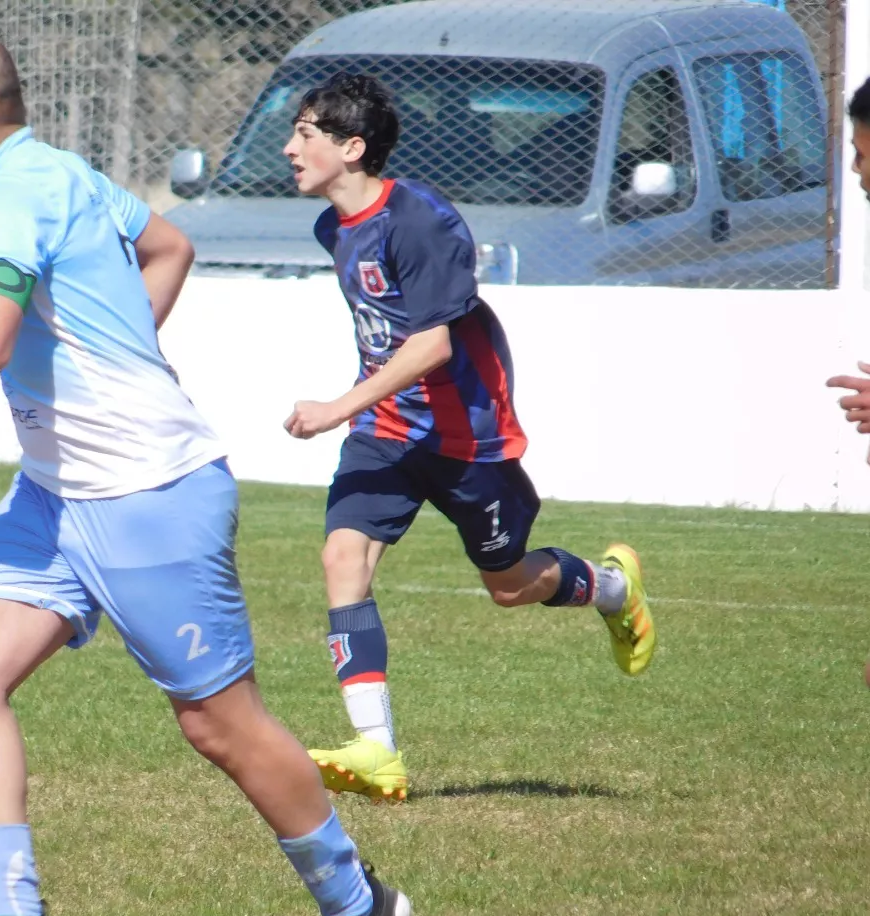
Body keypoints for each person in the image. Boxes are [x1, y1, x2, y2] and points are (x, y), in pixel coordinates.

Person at [0, 36, 409, 916]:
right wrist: (124, 347)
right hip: (54, 494)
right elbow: (170, 245)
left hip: (146, 493)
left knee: (220, 724)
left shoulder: (5, 196)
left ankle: (361, 908)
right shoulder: (56, 169)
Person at [280, 73, 656, 801]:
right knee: (342, 558)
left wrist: (334, 407)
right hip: (385, 434)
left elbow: (431, 348)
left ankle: (612, 587)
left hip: (466, 437)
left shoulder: (421, 222)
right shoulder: (334, 227)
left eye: (306, 134)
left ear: (352, 147)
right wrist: (357, 413)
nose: (291, 147)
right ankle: (377, 752)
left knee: (509, 586)